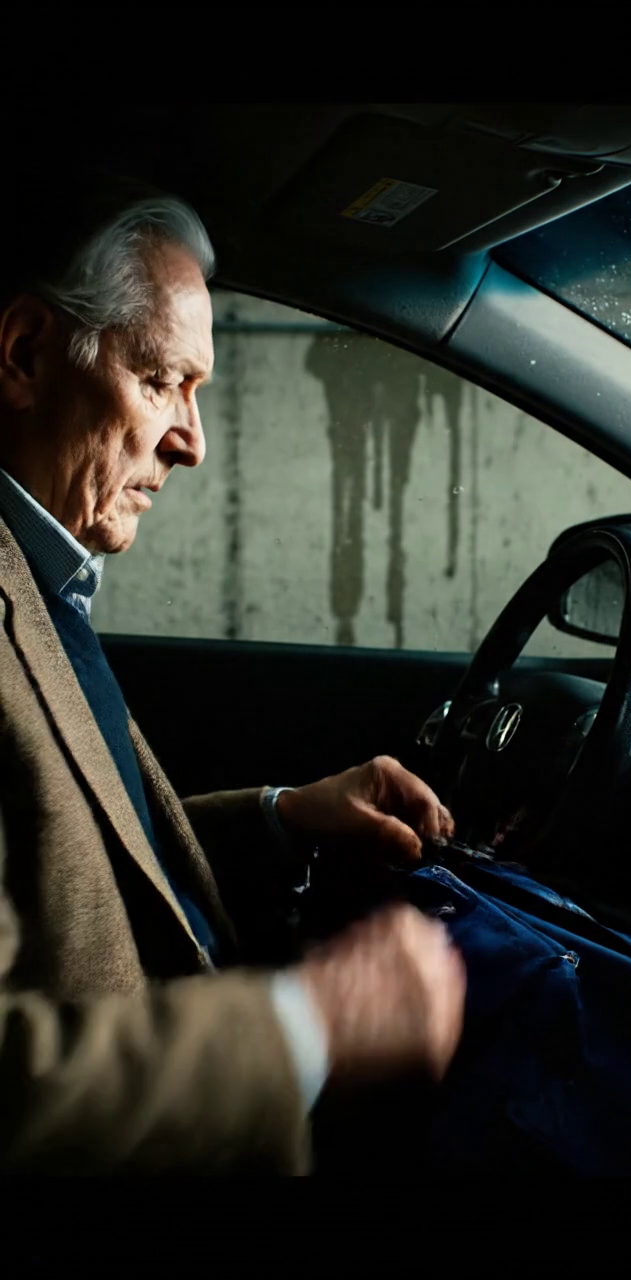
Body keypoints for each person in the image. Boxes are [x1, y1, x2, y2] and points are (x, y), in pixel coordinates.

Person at [0, 168, 466, 1173]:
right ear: (28, 354)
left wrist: (280, 816)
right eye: (163, 379)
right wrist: (313, 1025)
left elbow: (70, 862)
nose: (193, 442)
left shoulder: (41, 576)